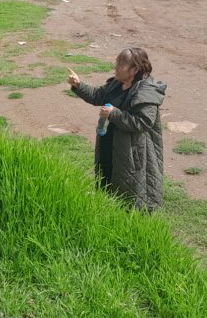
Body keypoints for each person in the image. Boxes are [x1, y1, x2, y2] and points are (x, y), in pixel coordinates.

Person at [67, 47, 167, 211]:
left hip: (133, 153)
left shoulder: (147, 92)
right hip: (111, 144)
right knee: (108, 181)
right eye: (117, 63)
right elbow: (98, 95)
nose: (116, 68)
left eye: (121, 64)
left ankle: (134, 220)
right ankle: (109, 213)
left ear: (135, 70)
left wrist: (114, 114)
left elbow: (142, 123)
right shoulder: (117, 83)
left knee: (131, 194)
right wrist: (78, 85)